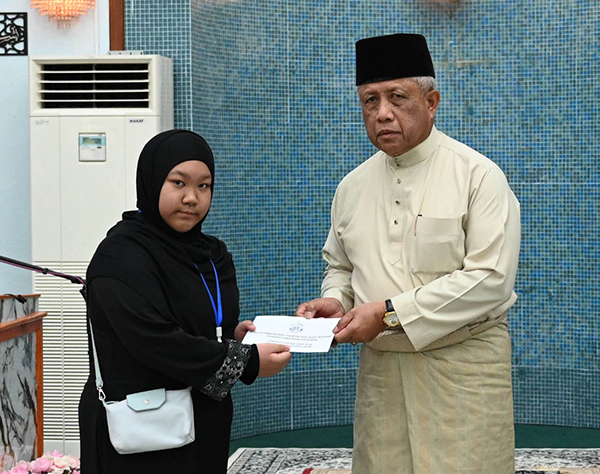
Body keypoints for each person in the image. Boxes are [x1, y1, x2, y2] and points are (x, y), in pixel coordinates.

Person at [296, 33, 520, 474]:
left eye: (397, 97)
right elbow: (340, 266)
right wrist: (336, 300)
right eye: (370, 101)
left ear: (431, 102)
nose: (382, 113)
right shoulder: (351, 187)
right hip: (383, 374)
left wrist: (389, 314)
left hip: (463, 373)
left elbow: (490, 280)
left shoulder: (478, 176)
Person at [78, 129, 292, 474]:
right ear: (151, 182)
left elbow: (201, 327)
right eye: (178, 183)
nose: (192, 198)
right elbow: (155, 341)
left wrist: (233, 337)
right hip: (140, 429)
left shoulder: (212, 255)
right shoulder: (120, 256)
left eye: (204, 186)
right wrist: (247, 361)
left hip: (203, 421)